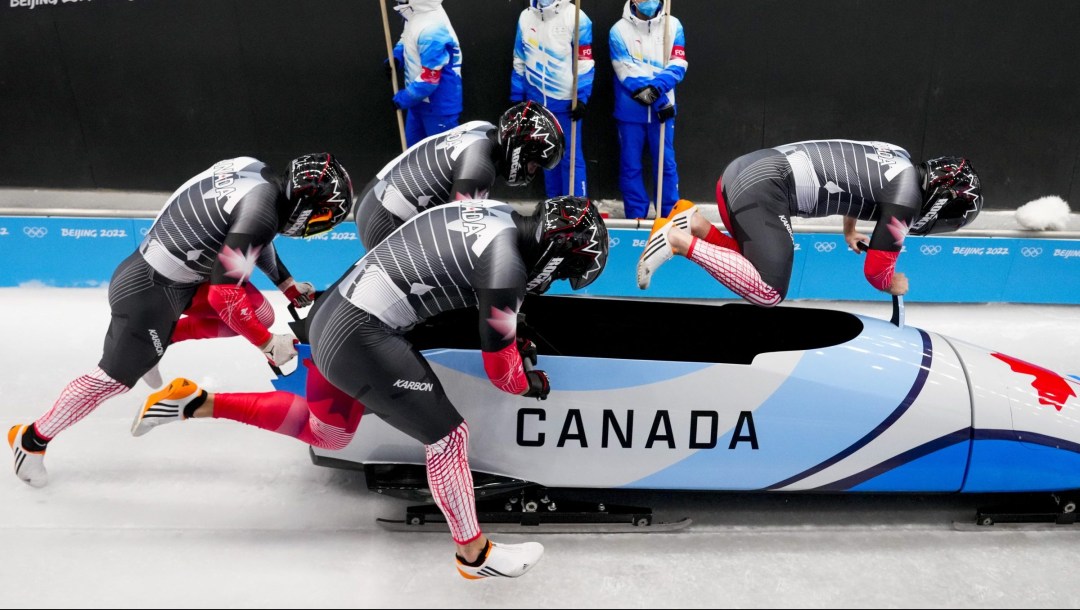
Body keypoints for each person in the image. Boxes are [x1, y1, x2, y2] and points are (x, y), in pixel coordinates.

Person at [131, 196, 609, 579]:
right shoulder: (507, 270)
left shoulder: (499, 216)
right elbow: (503, 374)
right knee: (448, 438)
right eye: (567, 270)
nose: (561, 279)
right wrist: (531, 381)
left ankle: (195, 401)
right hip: (360, 332)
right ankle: (474, 554)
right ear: (554, 251)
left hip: (334, 312)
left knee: (330, 433)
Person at [7, 154, 355, 488]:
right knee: (111, 381)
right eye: (322, 217)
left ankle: (162, 340)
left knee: (259, 313)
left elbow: (252, 237)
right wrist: (266, 344)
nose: (318, 226)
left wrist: (285, 284)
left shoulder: (257, 175)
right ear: (305, 207)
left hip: (176, 277)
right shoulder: (262, 215)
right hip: (149, 293)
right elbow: (225, 293)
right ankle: (32, 440)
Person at [637, 140, 982, 305]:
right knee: (769, 290)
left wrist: (849, 230)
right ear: (941, 202)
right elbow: (876, 273)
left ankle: (694, 224)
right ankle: (678, 240)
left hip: (744, 173)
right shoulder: (908, 201)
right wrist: (894, 283)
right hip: (763, 188)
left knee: (751, 265)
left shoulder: (900, 157)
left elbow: (860, 172)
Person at [355, 101, 564, 249]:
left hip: (373, 199)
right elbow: (459, 238)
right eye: (534, 164)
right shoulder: (478, 169)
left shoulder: (482, 128)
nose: (532, 172)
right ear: (519, 151)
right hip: (384, 222)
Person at [610, 0, 688, 220]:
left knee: (666, 164)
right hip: (630, 112)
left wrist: (658, 93)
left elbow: (678, 64)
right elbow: (624, 68)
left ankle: (668, 215)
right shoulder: (618, 30)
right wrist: (656, 98)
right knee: (630, 164)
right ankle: (636, 215)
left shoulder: (673, 25)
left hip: (663, 111)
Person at [511, 0, 594, 198]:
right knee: (546, 157)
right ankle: (554, 210)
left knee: (571, 159)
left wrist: (582, 96)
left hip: (566, 103)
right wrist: (516, 96)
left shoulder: (576, 17)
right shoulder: (526, 17)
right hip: (537, 103)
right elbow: (519, 59)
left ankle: (576, 210)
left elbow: (584, 62)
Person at [388, 0, 463, 147]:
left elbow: (429, 79)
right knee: (414, 156)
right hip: (418, 103)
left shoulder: (431, 26)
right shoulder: (416, 15)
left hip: (438, 106)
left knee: (441, 162)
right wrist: (397, 56)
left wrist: (402, 99)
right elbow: (407, 36)